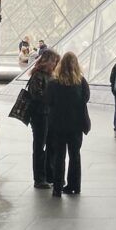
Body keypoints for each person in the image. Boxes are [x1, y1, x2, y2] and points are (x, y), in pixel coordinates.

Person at [46, 51, 90, 197]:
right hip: (76, 125)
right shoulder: (81, 82)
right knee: (75, 156)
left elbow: (48, 101)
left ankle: (57, 187)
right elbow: (85, 99)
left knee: (59, 156)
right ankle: (74, 186)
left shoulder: (53, 83)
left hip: (58, 125)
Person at [26, 47, 59, 188]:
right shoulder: (38, 75)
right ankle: (39, 178)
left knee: (51, 145)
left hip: (49, 114)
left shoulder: (50, 76)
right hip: (40, 115)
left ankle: (49, 175)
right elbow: (37, 95)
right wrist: (52, 98)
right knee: (39, 146)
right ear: (47, 61)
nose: (55, 65)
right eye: (54, 62)